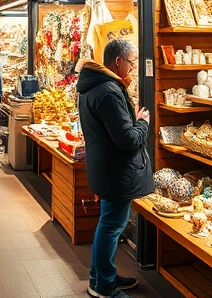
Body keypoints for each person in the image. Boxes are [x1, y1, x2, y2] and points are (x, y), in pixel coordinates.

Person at [78, 39, 152, 298]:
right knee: (110, 227)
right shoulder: (109, 92)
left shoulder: (94, 86)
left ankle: (99, 275)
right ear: (118, 61)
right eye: (132, 62)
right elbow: (127, 139)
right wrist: (142, 122)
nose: (133, 68)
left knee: (108, 225)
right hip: (116, 171)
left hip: (106, 167)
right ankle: (104, 286)